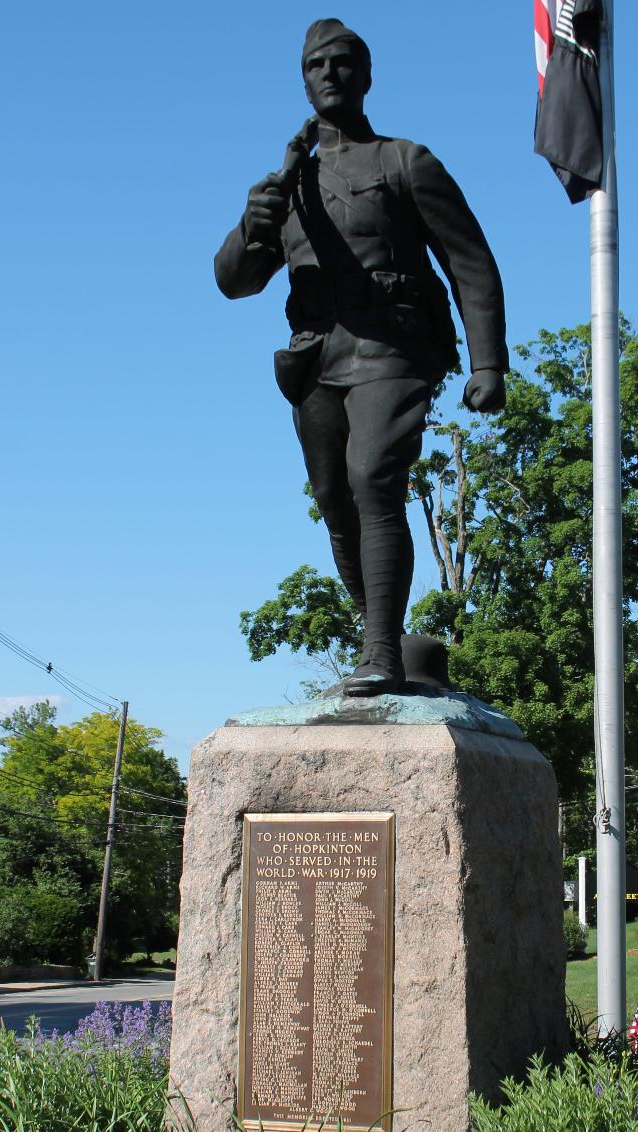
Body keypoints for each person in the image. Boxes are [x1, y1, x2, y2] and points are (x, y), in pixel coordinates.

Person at [215, 18, 508, 695]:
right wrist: (250, 222)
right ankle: (388, 641)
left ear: (366, 75)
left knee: (373, 476)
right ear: (303, 77)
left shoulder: (404, 162)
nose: (329, 74)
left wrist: (487, 363)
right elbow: (233, 282)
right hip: (316, 358)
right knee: (335, 500)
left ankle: (380, 649)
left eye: (343, 62)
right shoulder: (286, 184)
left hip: (393, 348)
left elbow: (471, 263)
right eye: (316, 64)